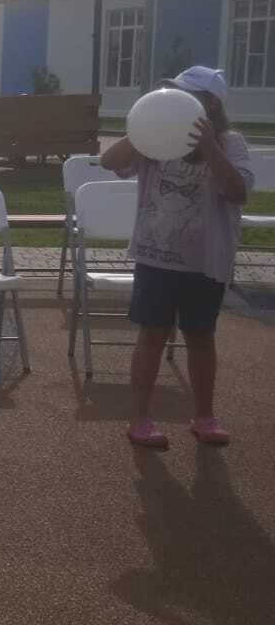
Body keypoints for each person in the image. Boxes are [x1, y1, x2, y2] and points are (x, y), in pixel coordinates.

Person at [100, 66, 253, 449]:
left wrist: (211, 148)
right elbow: (109, 161)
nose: (175, 101)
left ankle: (204, 417)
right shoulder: (154, 139)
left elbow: (238, 193)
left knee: (200, 337)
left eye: (187, 95)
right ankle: (139, 419)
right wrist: (141, 130)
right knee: (152, 335)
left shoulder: (231, 143)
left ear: (210, 104)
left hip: (205, 260)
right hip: (157, 256)